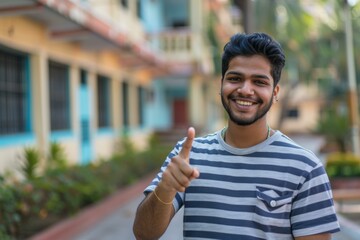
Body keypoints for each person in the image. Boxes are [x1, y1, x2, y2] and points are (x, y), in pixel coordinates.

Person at [133, 32, 340, 239]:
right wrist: (166, 188)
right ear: (221, 84)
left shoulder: (305, 168)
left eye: (259, 82)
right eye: (235, 78)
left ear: (275, 92)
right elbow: (144, 234)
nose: (245, 90)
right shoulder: (189, 155)